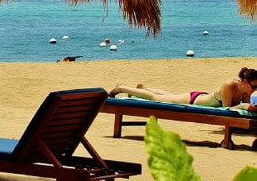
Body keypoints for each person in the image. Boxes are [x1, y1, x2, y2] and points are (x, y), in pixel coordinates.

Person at [109, 67, 257, 111]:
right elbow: (227, 109)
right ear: (244, 81)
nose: (254, 89)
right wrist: (245, 105)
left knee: (171, 95)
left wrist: (248, 104)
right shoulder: (229, 85)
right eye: (254, 86)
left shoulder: (244, 91)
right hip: (194, 100)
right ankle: (121, 88)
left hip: (203, 97)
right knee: (156, 99)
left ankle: (145, 88)